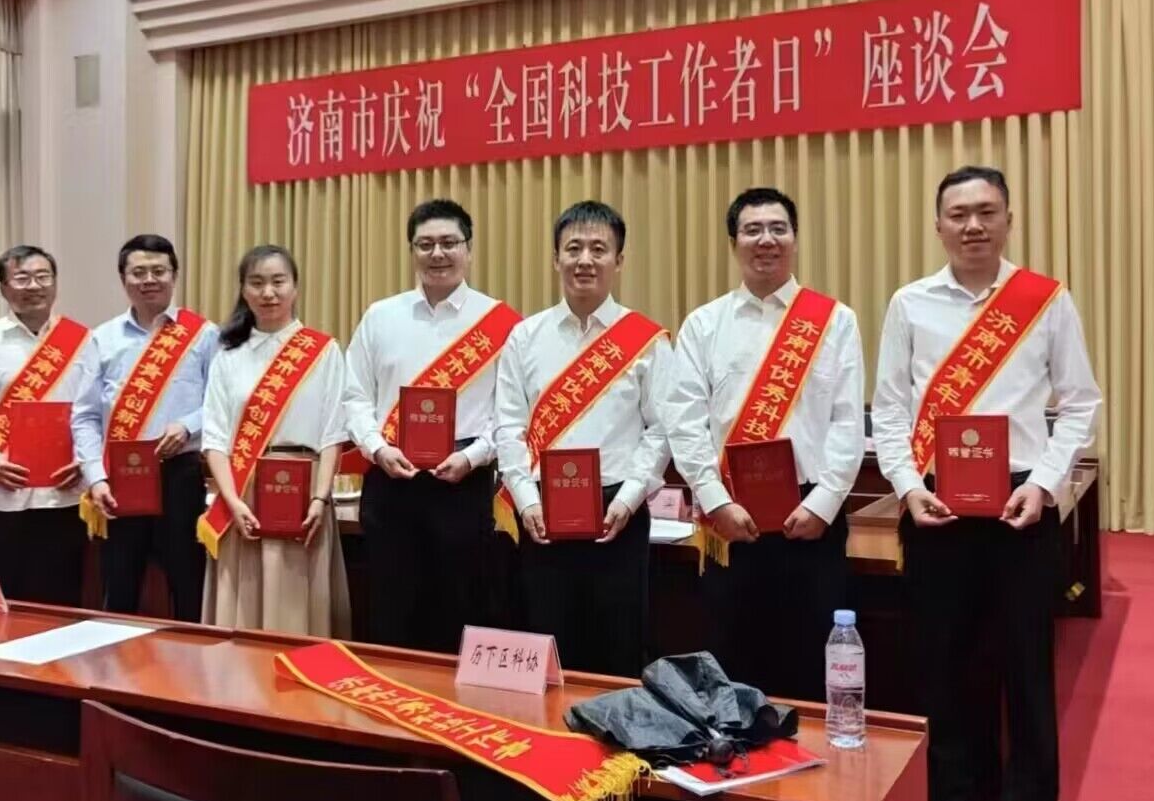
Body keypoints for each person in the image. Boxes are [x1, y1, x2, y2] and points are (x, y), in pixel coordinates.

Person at [871, 166, 1101, 801]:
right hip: (938, 507)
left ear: (1008, 219)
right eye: (959, 214)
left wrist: (1046, 485)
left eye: (986, 212)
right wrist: (908, 486)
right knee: (941, 667)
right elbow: (889, 410)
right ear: (938, 225)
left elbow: (1081, 403)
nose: (973, 225)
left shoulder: (1045, 301)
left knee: (1027, 672)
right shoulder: (910, 303)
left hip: (1020, 506)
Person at [665, 187, 864, 701]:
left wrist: (823, 504)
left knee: (810, 667)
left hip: (812, 519)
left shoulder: (835, 321)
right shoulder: (704, 325)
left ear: (795, 239)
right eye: (752, 230)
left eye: (778, 228)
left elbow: (847, 422)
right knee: (733, 664)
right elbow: (685, 422)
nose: (766, 239)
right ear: (734, 242)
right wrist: (716, 501)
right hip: (730, 520)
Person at [494, 201, 672, 677]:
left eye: (599, 249)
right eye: (573, 249)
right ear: (556, 258)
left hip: (618, 512)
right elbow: (508, 426)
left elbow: (662, 429)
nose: (585, 260)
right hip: (542, 514)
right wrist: (526, 501)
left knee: (618, 652)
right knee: (547, 652)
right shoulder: (525, 337)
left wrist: (631, 498)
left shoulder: (646, 341)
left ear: (619, 259)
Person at [344, 199, 521, 653]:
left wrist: (473, 456)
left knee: (458, 611)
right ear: (412, 251)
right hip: (391, 479)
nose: (437, 253)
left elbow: (512, 412)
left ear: (469, 249)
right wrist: (376, 448)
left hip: (463, 482)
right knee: (390, 609)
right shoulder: (381, 317)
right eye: (425, 244)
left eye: (448, 243)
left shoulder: (501, 324)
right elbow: (354, 396)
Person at [199, 245, 350, 637]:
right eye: (257, 283)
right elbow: (215, 437)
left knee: (299, 605)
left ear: (295, 287)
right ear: (243, 290)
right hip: (244, 491)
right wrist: (232, 501)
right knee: (244, 605)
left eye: (278, 281)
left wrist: (320, 499)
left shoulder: (323, 351)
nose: (268, 292)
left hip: (306, 493)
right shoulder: (228, 356)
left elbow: (334, 432)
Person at [0, 245, 96, 605]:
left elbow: (98, 412)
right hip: (1, 493)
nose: (34, 286)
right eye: (22, 278)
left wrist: (85, 460)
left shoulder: (84, 341)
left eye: (43, 277)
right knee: (6, 605)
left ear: (55, 283)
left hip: (64, 495)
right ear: (4, 287)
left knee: (61, 602)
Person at [72, 234, 219, 620]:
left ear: (175, 276)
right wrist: (96, 478)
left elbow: (222, 405)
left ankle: (190, 656)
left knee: (187, 584)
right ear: (123, 279)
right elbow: (84, 416)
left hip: (180, 475)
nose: (149, 279)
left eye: (158, 271)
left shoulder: (204, 335)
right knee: (119, 586)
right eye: (139, 272)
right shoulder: (102, 338)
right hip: (120, 479)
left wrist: (188, 426)